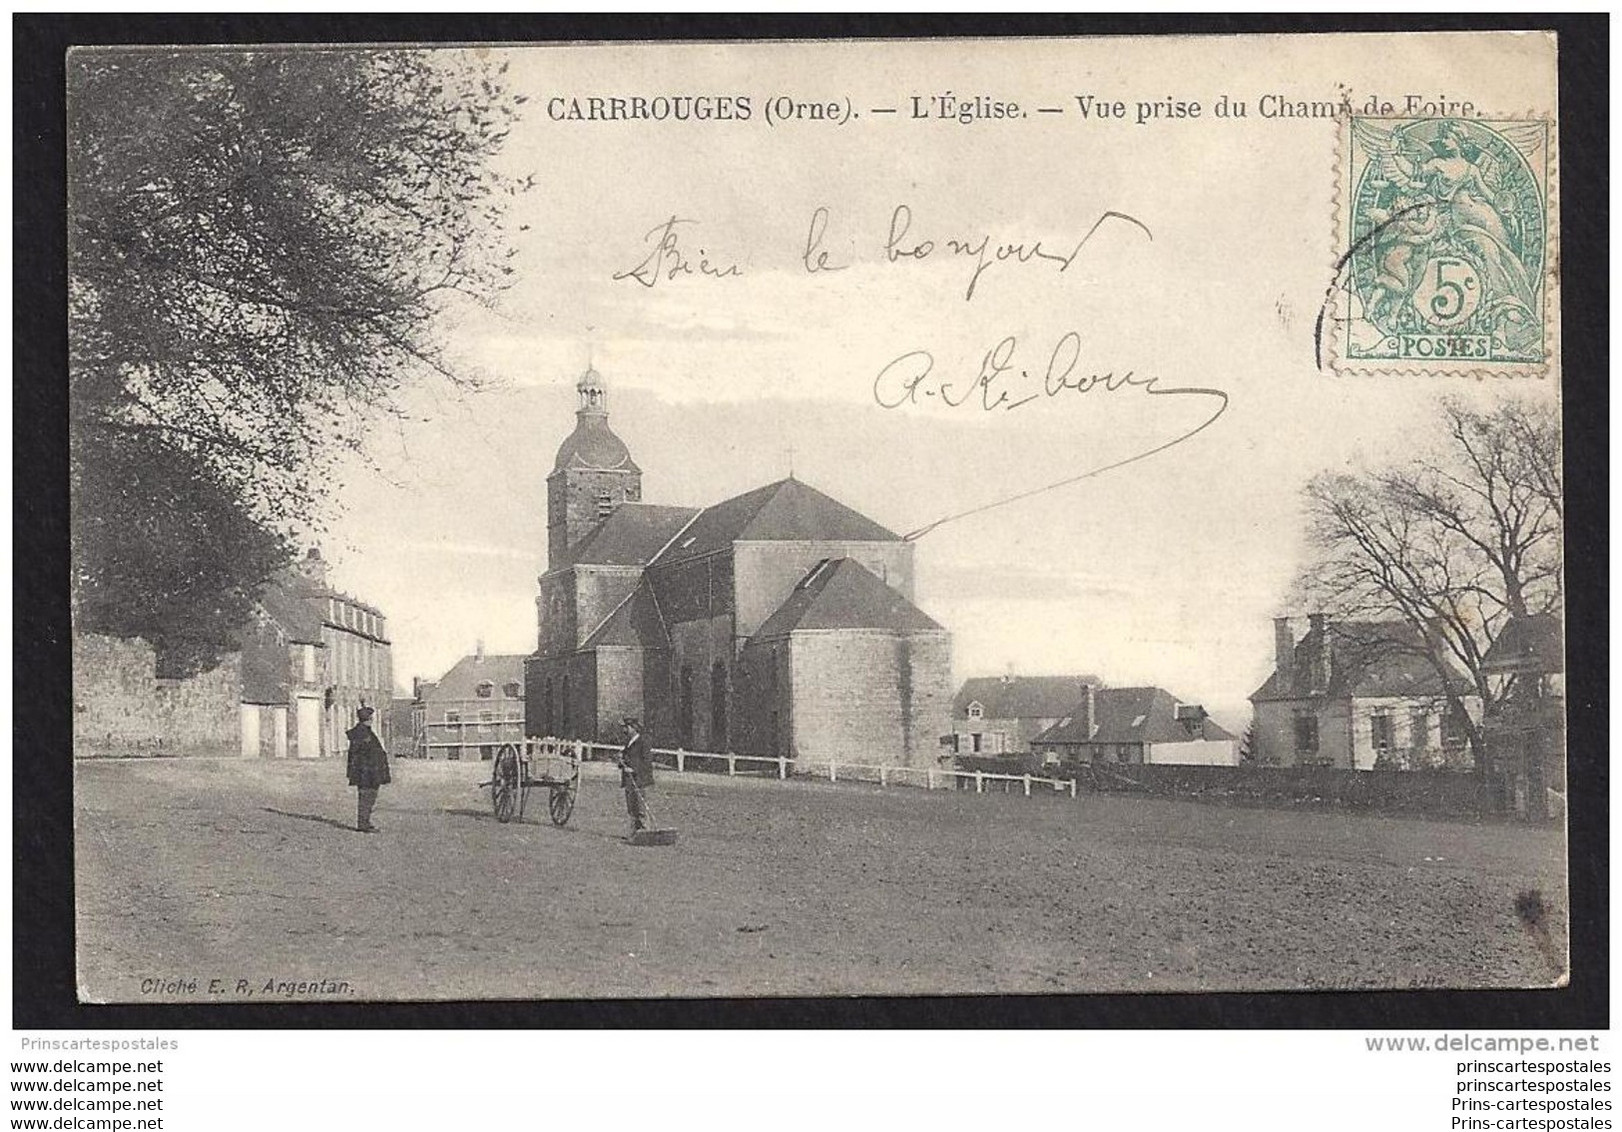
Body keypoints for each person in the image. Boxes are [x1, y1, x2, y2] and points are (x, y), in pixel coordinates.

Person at [346, 706, 391, 833]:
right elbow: (367, 754)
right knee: (367, 797)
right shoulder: (364, 734)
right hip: (367, 772)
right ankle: (363, 823)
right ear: (369, 719)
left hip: (365, 771)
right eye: (371, 717)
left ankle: (364, 822)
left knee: (367, 796)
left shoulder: (362, 732)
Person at [618, 716, 654, 834]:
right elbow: (626, 757)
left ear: (633, 728)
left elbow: (647, 761)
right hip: (628, 779)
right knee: (631, 806)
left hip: (639, 779)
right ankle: (634, 832)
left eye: (626, 727)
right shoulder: (629, 742)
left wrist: (633, 770)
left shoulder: (643, 741)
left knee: (640, 806)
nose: (624, 730)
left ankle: (644, 831)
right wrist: (621, 760)